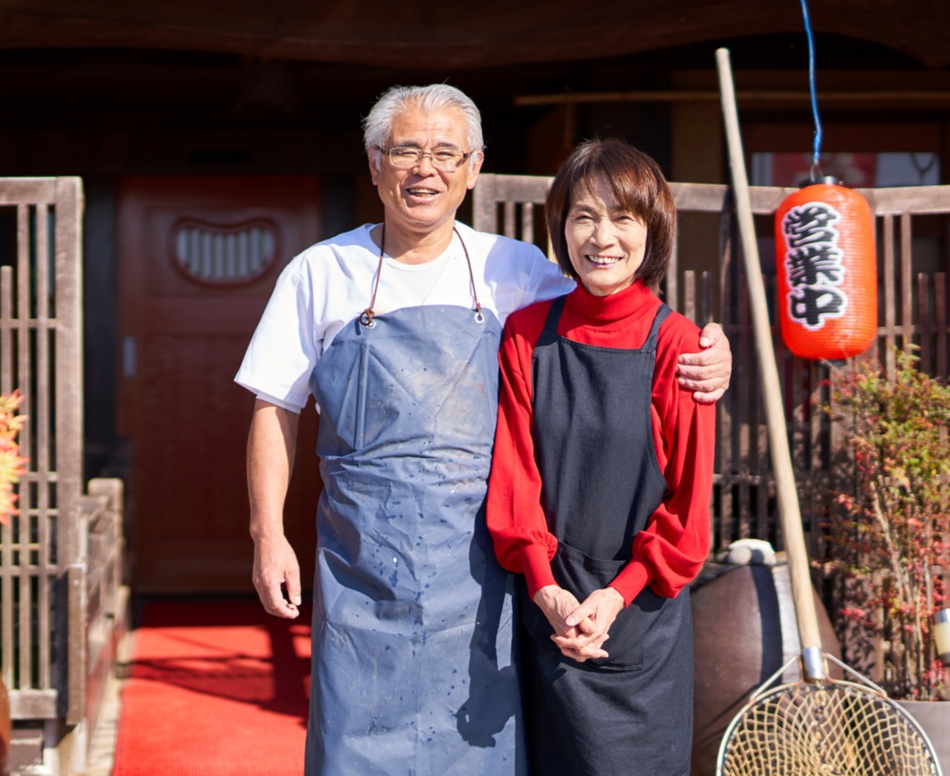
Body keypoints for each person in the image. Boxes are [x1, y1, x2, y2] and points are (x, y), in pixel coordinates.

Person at [234, 85, 729, 775]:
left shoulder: (514, 270)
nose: (424, 169)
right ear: (374, 164)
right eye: (405, 150)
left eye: (445, 152)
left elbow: (612, 314)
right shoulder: (321, 272)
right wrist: (268, 537)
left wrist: (710, 351)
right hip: (360, 565)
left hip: (485, 577)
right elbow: (271, 406)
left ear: (474, 168)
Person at [486, 138, 716, 775]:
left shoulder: (681, 345)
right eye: (584, 216)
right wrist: (545, 588)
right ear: (562, 228)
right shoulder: (526, 334)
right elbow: (514, 479)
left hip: (638, 621)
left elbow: (689, 512)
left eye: (623, 218)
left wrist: (614, 598)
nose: (602, 236)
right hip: (549, 618)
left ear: (653, 230)